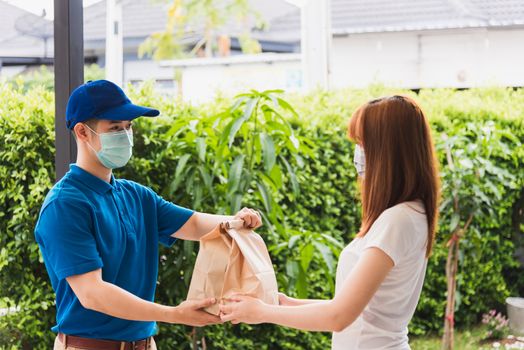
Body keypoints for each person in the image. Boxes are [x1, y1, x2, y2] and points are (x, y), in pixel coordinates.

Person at [34, 80, 262, 350]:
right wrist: (174, 314)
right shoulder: (65, 205)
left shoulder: (136, 195)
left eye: (129, 127)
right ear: (83, 132)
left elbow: (194, 223)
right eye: (115, 128)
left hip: (144, 345)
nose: (125, 135)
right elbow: (92, 294)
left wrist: (236, 221)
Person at [219, 95, 441, 350]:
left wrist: (262, 312)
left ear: (387, 151)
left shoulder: (398, 219)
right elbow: (352, 309)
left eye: (362, 143)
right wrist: (279, 302)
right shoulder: (408, 214)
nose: (358, 153)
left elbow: (338, 317)